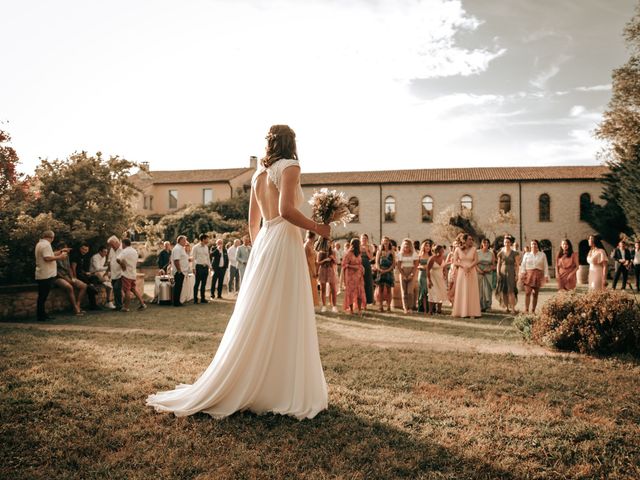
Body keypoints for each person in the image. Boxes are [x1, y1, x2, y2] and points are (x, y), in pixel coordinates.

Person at [147, 124, 329, 419]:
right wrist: (317, 227)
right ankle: (281, 386)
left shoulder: (258, 174)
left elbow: (253, 222)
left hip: (267, 243)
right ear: (291, 143)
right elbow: (286, 212)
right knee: (287, 309)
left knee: (260, 310)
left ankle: (259, 380)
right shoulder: (291, 166)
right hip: (283, 240)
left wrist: (261, 254)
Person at [34, 230, 67, 321]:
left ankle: (42, 315)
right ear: (51, 237)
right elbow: (47, 258)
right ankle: (41, 316)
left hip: (42, 274)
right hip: (46, 275)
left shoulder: (40, 244)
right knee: (43, 297)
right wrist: (60, 257)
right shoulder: (46, 245)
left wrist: (60, 251)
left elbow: (49, 254)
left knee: (42, 296)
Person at [451, 233, 481, 318]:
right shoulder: (457, 249)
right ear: (464, 240)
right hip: (461, 271)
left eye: (472, 239)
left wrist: (469, 267)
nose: (471, 241)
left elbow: (476, 260)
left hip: (472, 271)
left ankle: (472, 312)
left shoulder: (474, 249)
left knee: (472, 290)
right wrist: (463, 266)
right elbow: (455, 261)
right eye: (469, 239)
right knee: (462, 290)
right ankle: (461, 312)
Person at [54, 241, 87, 316]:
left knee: (84, 286)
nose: (67, 251)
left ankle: (78, 305)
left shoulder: (66, 256)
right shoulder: (55, 256)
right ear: (60, 248)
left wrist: (72, 277)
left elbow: (69, 268)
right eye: (66, 249)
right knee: (69, 287)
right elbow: (55, 271)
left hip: (67, 276)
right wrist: (66, 279)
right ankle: (75, 309)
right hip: (58, 277)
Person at [71, 242, 104, 310]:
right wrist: (74, 277)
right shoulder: (76, 255)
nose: (84, 251)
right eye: (83, 249)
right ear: (80, 248)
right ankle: (93, 303)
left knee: (94, 277)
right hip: (77, 275)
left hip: (83, 274)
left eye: (86, 250)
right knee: (88, 284)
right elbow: (73, 267)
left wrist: (86, 273)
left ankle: (92, 286)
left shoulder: (86, 256)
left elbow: (83, 268)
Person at [519, 240, 549, 314]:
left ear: (537, 245)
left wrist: (546, 275)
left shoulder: (542, 255)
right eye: (532, 244)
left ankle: (533, 310)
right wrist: (522, 273)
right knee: (527, 292)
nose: (533, 245)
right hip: (528, 274)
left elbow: (545, 265)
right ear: (530, 245)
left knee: (535, 293)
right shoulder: (527, 254)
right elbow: (523, 264)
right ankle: (526, 309)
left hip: (538, 274)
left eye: (535, 244)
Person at [116, 238, 147, 312]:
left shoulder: (125, 251)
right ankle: (142, 304)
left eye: (121, 244)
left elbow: (118, 259)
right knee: (133, 289)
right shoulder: (134, 251)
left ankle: (126, 307)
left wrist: (122, 265)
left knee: (127, 290)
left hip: (126, 274)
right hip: (133, 273)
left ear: (123, 244)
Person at [495, 235, 519, 313]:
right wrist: (498, 273)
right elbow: (498, 264)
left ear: (511, 243)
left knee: (511, 291)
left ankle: (513, 308)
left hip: (511, 272)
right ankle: (507, 308)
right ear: (504, 243)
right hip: (502, 272)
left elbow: (517, 265)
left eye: (508, 242)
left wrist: (517, 274)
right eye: (505, 242)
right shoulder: (500, 253)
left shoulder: (515, 253)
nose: (507, 243)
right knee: (504, 291)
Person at [342, 238, 366, 314]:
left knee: (359, 292)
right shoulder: (348, 254)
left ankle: (359, 309)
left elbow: (359, 263)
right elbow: (344, 264)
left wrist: (362, 267)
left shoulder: (359, 253)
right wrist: (353, 267)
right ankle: (351, 310)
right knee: (351, 293)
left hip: (359, 276)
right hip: (350, 276)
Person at [396, 239, 418, 314]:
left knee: (410, 292)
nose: (406, 246)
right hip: (403, 272)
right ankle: (405, 308)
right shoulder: (400, 254)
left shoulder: (414, 254)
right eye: (405, 244)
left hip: (412, 272)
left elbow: (416, 265)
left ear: (410, 246)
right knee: (404, 292)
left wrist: (412, 274)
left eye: (408, 244)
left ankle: (410, 307)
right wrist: (403, 275)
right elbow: (398, 266)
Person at [375, 236, 395, 312]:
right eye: (384, 241)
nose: (385, 242)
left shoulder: (392, 252)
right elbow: (376, 263)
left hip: (389, 271)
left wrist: (388, 270)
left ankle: (389, 306)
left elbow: (393, 263)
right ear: (382, 242)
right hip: (381, 271)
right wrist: (380, 269)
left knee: (389, 289)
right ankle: (380, 306)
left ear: (389, 242)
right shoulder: (379, 251)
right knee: (381, 289)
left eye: (387, 241)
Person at [317, 241, 338, 313]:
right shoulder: (320, 252)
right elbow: (318, 263)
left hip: (330, 270)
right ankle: (324, 306)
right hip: (322, 270)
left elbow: (336, 262)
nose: (329, 244)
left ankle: (334, 306)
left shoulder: (333, 252)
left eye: (330, 243)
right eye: (327, 243)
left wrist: (333, 258)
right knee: (323, 289)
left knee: (333, 289)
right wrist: (325, 260)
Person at [476, 238, 496, 312]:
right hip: (479, 271)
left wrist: (489, 269)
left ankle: (488, 306)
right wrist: (479, 270)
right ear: (482, 244)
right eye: (484, 243)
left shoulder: (491, 253)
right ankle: (480, 306)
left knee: (488, 289)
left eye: (487, 243)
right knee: (480, 289)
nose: (486, 244)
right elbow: (475, 263)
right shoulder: (477, 252)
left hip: (488, 272)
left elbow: (494, 265)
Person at [426, 245, 447, 315]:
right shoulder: (432, 258)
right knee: (432, 293)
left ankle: (439, 310)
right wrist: (429, 280)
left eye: (443, 250)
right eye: (441, 250)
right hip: (433, 278)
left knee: (440, 293)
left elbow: (444, 267)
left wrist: (445, 275)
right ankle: (430, 311)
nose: (443, 251)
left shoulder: (443, 258)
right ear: (437, 251)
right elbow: (427, 270)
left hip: (440, 278)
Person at [192, 234, 212, 304]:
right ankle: (195, 299)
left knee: (204, 284)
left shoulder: (206, 247)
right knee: (197, 283)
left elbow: (208, 258)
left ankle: (203, 298)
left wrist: (210, 267)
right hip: (199, 267)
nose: (208, 240)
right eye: (207, 239)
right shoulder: (195, 247)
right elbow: (193, 258)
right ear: (203, 239)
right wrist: (193, 268)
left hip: (205, 267)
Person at [171, 235, 189, 306]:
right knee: (178, 286)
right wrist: (179, 270)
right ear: (180, 241)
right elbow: (176, 260)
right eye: (184, 240)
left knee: (179, 286)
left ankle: (177, 301)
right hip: (179, 271)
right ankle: (176, 302)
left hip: (182, 271)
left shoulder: (181, 248)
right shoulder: (177, 248)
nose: (185, 242)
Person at [107, 236, 124, 311]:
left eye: (112, 244)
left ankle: (120, 305)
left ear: (117, 242)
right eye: (110, 245)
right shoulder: (111, 249)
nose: (111, 246)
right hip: (113, 273)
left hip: (121, 273)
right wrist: (109, 271)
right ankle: (118, 305)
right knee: (115, 290)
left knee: (117, 288)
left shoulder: (122, 250)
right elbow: (109, 261)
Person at [304, 231, 320, 308]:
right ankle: (307, 303)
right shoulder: (306, 245)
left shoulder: (311, 245)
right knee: (309, 285)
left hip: (313, 266)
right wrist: (313, 271)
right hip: (308, 268)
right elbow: (306, 259)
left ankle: (312, 304)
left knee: (313, 285)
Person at [417, 241, 432, 313]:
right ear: (423, 247)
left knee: (428, 292)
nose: (428, 247)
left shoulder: (431, 256)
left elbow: (432, 266)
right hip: (421, 274)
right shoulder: (419, 256)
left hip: (429, 275)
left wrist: (427, 267)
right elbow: (417, 265)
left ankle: (430, 309)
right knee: (423, 291)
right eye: (426, 246)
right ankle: (424, 309)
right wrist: (422, 266)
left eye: (429, 246)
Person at [360, 233, 375, 305]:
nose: (364, 240)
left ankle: (367, 299)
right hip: (359, 264)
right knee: (360, 282)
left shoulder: (370, 247)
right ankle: (359, 300)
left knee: (367, 282)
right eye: (363, 238)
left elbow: (371, 258)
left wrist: (366, 251)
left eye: (365, 238)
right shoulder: (358, 246)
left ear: (367, 239)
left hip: (366, 264)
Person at [445, 241, 458, 306]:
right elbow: (445, 263)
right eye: (455, 244)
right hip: (452, 270)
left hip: (458, 271)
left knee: (457, 287)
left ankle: (456, 301)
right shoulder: (450, 254)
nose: (456, 245)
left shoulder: (460, 253)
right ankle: (451, 300)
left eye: (457, 244)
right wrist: (451, 262)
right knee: (450, 286)